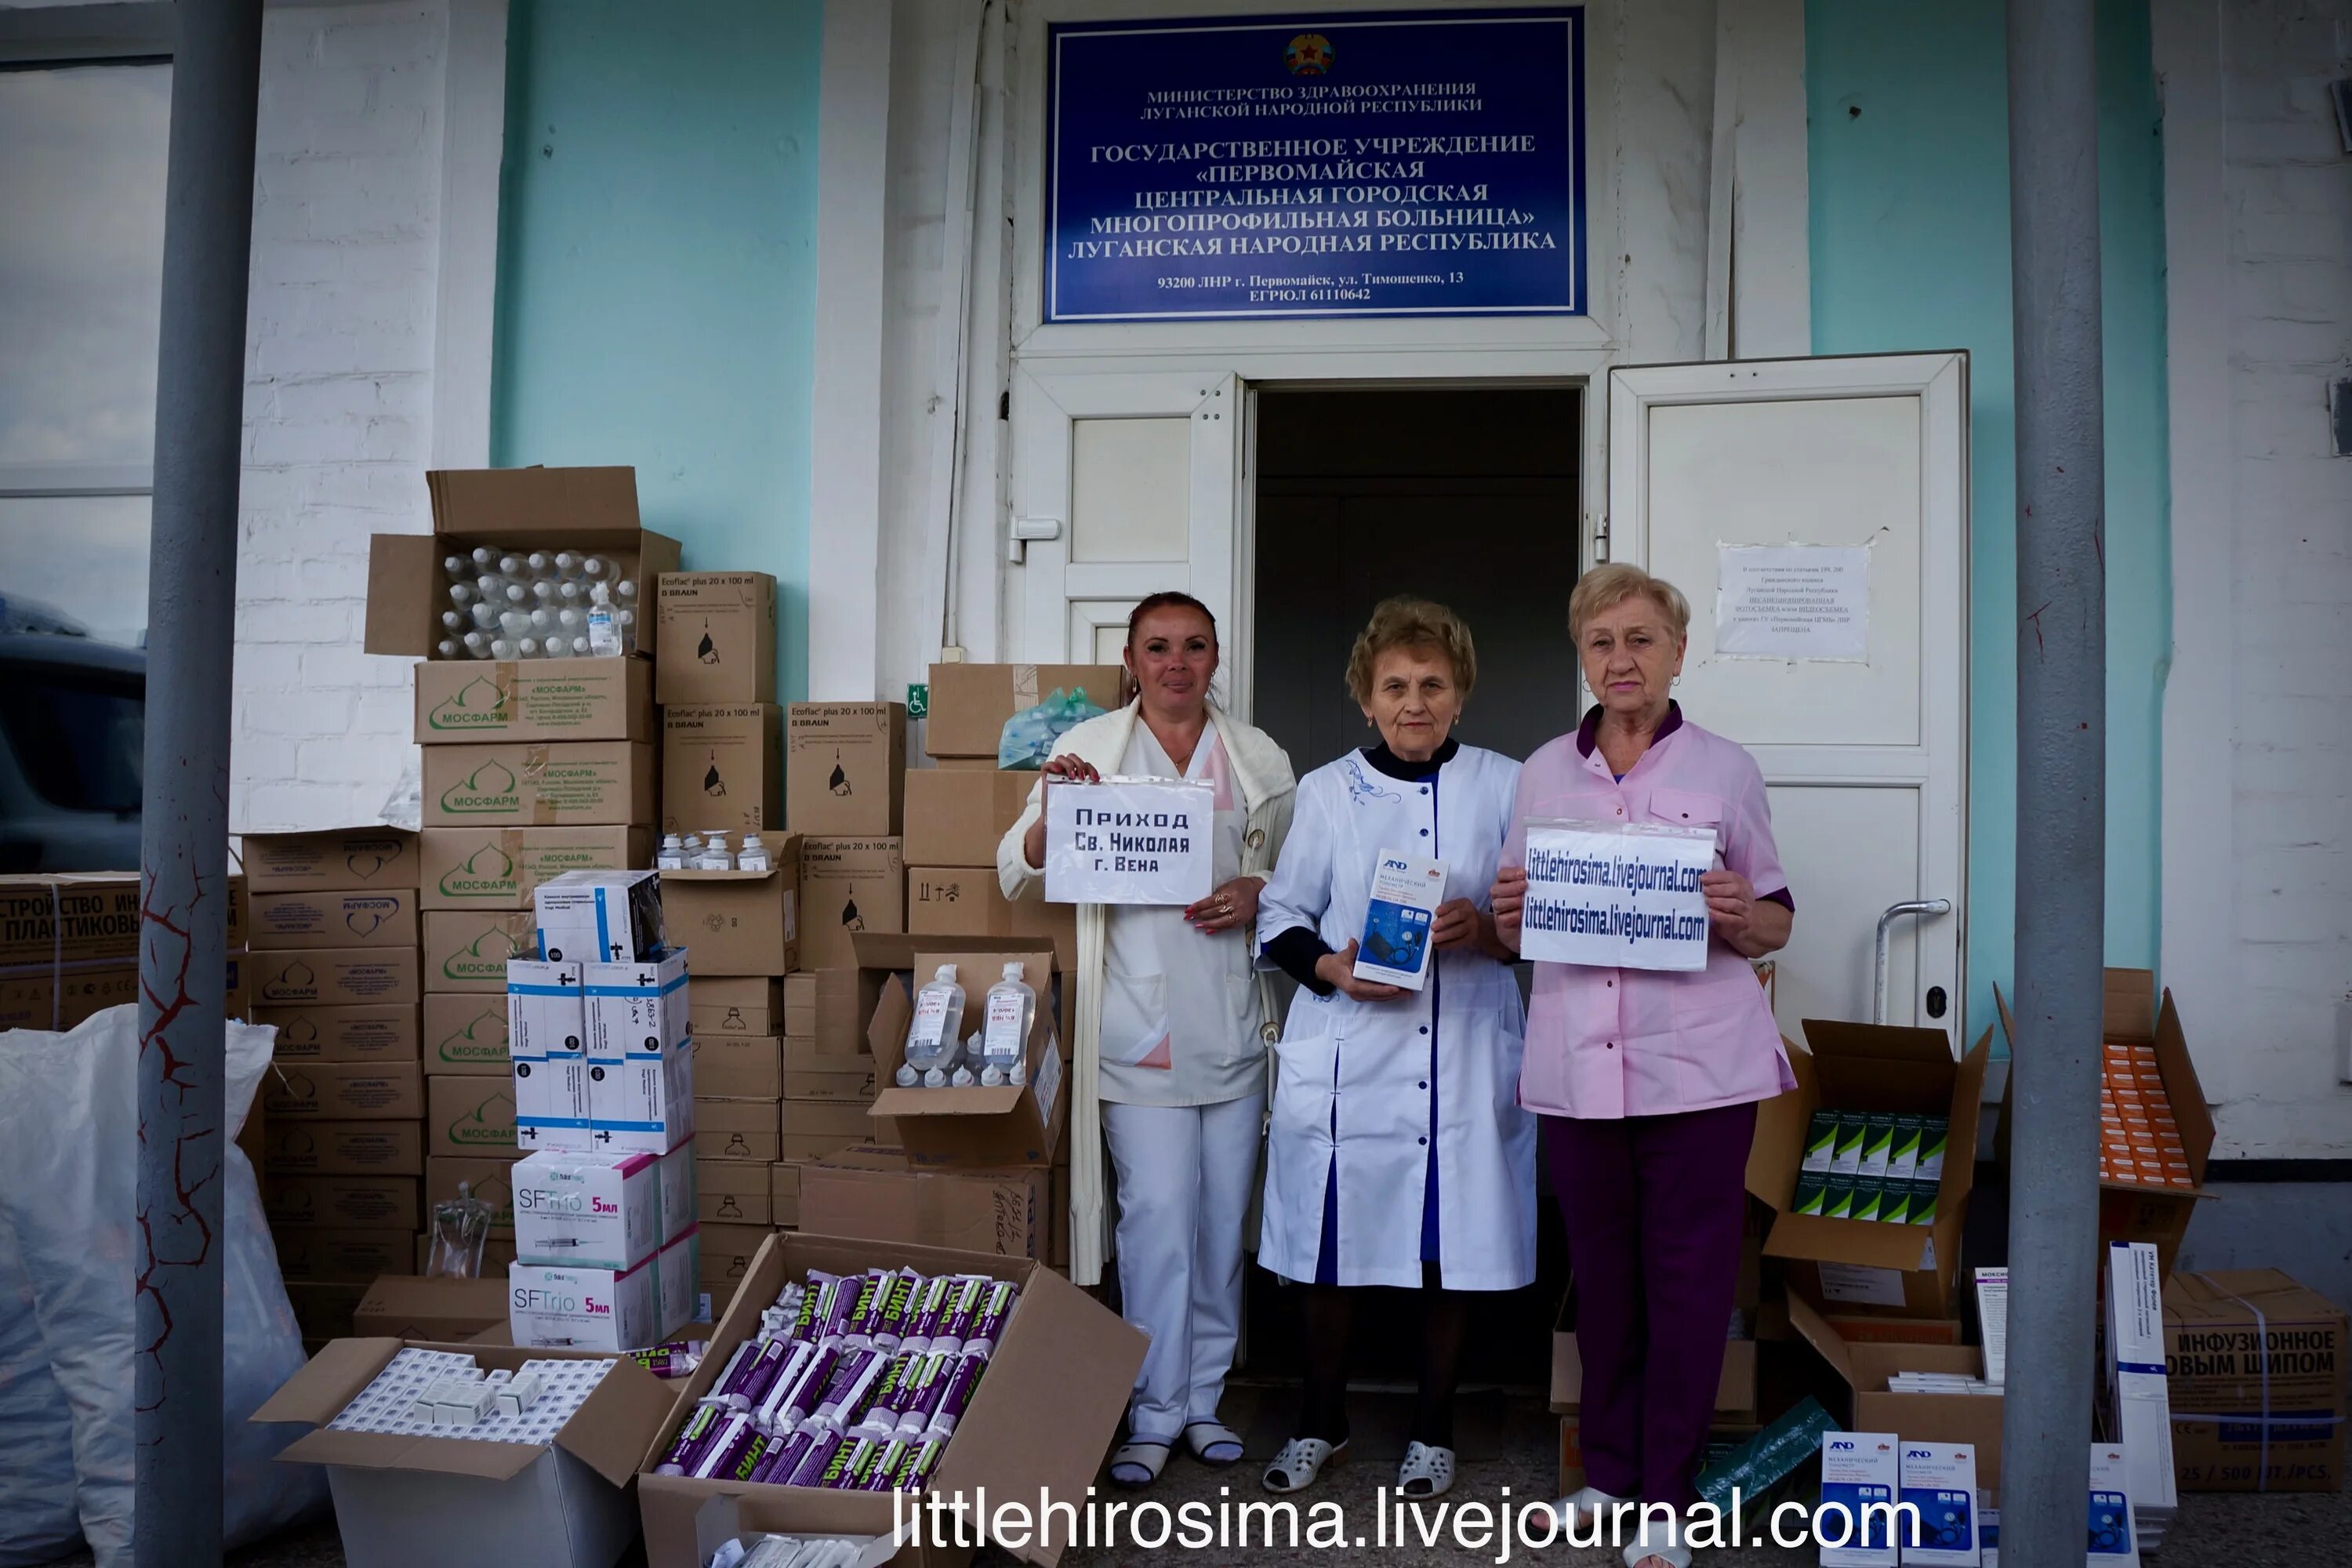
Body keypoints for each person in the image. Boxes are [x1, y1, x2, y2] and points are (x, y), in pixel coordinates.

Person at [1490, 564, 1794, 1568]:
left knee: (1690, 1282)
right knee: (1606, 1283)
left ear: (1676, 651)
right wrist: (1504, 922)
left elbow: (1780, 918)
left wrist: (1742, 913)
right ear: (1582, 655)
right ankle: (1611, 1472)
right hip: (1579, 1066)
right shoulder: (1542, 772)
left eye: (1641, 639)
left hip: (1699, 1070)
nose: (1621, 659)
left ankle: (1670, 1492)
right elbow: (1520, 918)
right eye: (1601, 641)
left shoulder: (1725, 770)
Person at [996, 591, 1297, 1490]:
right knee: (1157, 1219)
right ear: (1130, 658)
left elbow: (1298, 879)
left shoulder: (1258, 758)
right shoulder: (1086, 752)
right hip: (1137, 1027)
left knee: (1216, 1221)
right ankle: (1152, 1408)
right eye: (1158, 647)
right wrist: (1057, 814)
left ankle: (1203, 1399)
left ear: (1215, 657)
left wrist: (1258, 891)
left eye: (1194, 646)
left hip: (1233, 1025)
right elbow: (1015, 871)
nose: (1176, 663)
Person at [1251, 598, 1534, 1501]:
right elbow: (1280, 913)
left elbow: (1544, 919)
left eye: (1434, 685)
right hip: (1351, 1050)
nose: (1415, 702)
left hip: (1461, 1048)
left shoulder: (1507, 783)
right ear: (1366, 698)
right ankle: (1319, 1420)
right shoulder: (1330, 790)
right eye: (1396, 686)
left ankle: (1433, 1429)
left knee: (1449, 1243)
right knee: (1330, 1244)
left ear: (1461, 695)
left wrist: (1485, 930)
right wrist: (1332, 966)